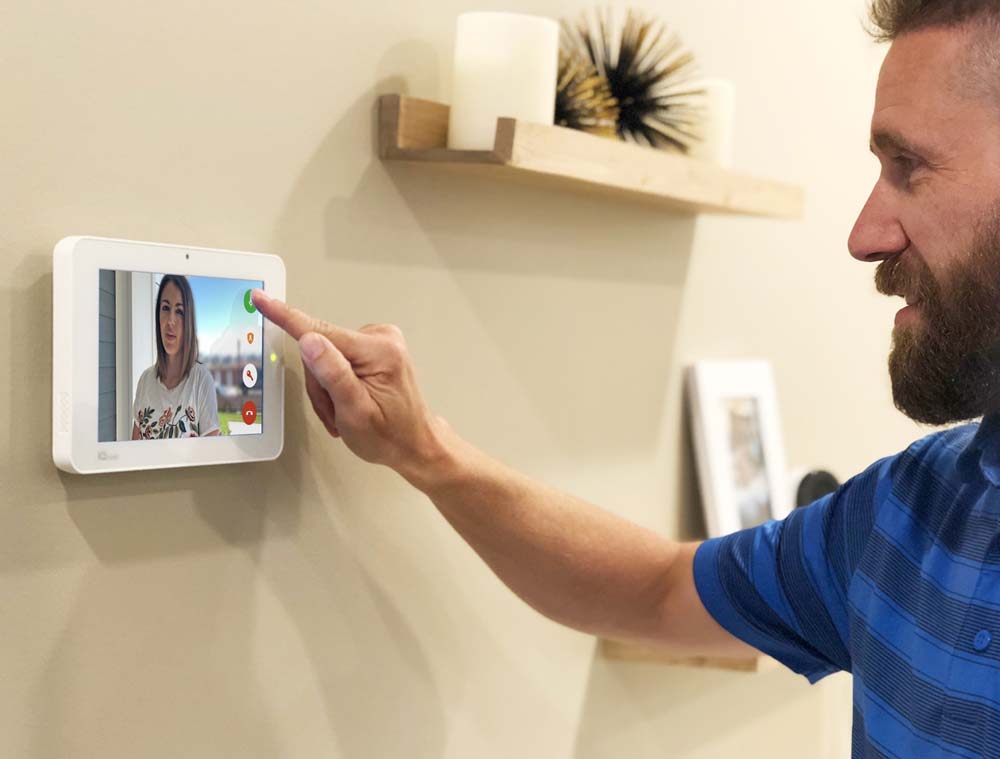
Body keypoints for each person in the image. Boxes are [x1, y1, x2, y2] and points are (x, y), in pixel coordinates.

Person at [253, 1, 1000, 755]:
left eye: (910, 167)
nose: (864, 236)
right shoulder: (904, 512)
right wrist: (422, 450)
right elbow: (655, 587)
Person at [131, 274, 220, 439]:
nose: (171, 321)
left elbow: (212, 460)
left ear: (189, 322)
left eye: (179, 311)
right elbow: (134, 453)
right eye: (165, 308)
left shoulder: (201, 380)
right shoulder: (145, 381)